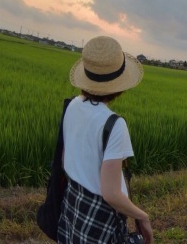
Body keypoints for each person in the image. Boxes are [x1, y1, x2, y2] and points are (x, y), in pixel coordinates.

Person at [58, 36, 154, 243]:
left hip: (73, 202)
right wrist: (142, 216)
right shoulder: (114, 124)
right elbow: (111, 194)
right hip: (99, 214)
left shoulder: (72, 105)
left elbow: (66, 157)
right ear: (119, 85)